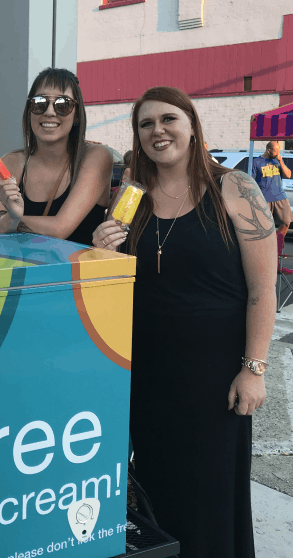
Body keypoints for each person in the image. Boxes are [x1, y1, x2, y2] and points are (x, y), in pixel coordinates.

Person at [92, 86, 275, 558]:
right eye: (146, 124)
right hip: (147, 374)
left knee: (211, 495)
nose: (158, 130)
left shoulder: (235, 187)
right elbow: (116, 282)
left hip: (214, 379)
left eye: (168, 119)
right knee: (156, 488)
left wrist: (253, 369)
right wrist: (102, 250)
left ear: (192, 125)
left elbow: (263, 291)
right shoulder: (131, 196)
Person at [0, 67, 112, 245]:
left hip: (77, 264)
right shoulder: (12, 162)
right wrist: (6, 220)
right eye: (39, 103)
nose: (49, 112)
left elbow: (59, 229)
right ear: (29, 111)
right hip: (20, 264)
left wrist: (6, 220)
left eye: (63, 104)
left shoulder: (97, 156)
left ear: (77, 115)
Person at [252, 141, 293, 274]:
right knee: (265, 228)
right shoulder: (257, 162)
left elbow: (288, 175)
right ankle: (266, 255)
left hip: (280, 196)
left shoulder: (277, 160)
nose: (278, 153)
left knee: (286, 222)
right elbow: (251, 182)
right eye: (276, 151)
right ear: (269, 150)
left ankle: (276, 247)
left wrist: (281, 161)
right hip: (264, 199)